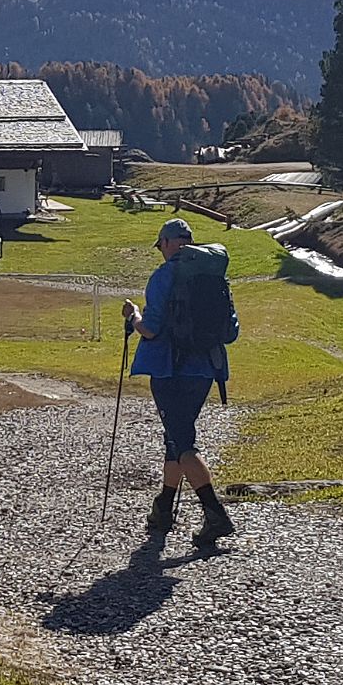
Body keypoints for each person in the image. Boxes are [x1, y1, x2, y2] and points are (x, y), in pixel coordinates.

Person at [120, 216, 237, 547]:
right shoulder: (213, 274)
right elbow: (233, 330)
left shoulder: (163, 276)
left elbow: (152, 329)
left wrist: (134, 316)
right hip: (205, 370)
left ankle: (215, 515)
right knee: (175, 437)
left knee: (183, 444)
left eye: (161, 245)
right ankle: (164, 507)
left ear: (170, 243)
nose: (161, 252)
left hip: (169, 370)